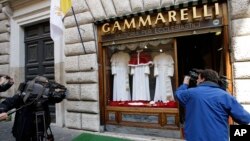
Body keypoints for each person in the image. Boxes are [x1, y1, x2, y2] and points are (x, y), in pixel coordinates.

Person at [175, 69, 250, 141]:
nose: (196, 81)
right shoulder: (225, 95)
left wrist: (185, 83)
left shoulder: (190, 93)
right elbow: (245, 118)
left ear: (202, 79)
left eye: (198, 78)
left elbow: (178, 94)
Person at [0, 76, 67, 141]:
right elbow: (8, 103)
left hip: (39, 130)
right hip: (23, 131)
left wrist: (58, 87)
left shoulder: (45, 95)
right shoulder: (22, 95)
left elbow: (59, 96)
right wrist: (2, 110)